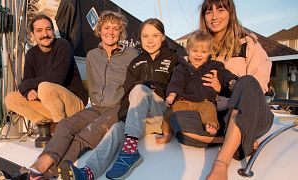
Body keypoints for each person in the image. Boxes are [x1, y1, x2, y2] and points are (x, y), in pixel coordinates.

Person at [5, 11, 138, 179]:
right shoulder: (92, 55)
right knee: (65, 126)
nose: (110, 32)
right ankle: (38, 166)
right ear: (100, 30)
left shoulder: (131, 55)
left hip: (117, 107)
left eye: (115, 28)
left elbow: (136, 85)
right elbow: (93, 83)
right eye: (106, 27)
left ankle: (46, 174)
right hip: (96, 106)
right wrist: (25, 88)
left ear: (121, 32)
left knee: (86, 134)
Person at [59, 18, 179, 180]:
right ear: (140, 38)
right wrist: (122, 119)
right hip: (141, 120)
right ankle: (87, 172)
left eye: (155, 35)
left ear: (163, 37)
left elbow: (180, 86)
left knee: (140, 88)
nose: (150, 41)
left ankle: (129, 152)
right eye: (145, 36)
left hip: (162, 114)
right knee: (116, 128)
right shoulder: (136, 63)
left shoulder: (173, 59)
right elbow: (127, 95)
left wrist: (170, 123)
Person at [169, 0, 274, 179]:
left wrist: (223, 88)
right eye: (209, 12)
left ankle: (221, 163)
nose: (214, 16)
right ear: (204, 17)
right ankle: (238, 141)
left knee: (247, 82)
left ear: (230, 13)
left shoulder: (249, 45)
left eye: (220, 9)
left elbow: (257, 90)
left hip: (251, 114)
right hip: (219, 117)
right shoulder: (199, 49)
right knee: (178, 119)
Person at [156, 30, 238, 144]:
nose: (198, 55)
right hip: (185, 101)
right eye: (195, 51)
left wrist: (232, 80)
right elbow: (176, 82)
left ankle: (211, 125)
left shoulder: (214, 65)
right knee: (170, 111)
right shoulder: (181, 68)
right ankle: (166, 134)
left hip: (204, 101)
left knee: (210, 109)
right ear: (188, 50)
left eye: (203, 52)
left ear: (209, 52)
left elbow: (224, 74)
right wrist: (172, 94)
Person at [5, 14, 88, 124]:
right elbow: (27, 80)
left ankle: (61, 130)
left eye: (48, 29)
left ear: (53, 31)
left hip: (75, 103)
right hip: (49, 103)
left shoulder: (62, 45)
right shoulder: (31, 54)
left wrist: (26, 85)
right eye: (39, 30)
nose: (45, 34)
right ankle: (45, 126)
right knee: (11, 99)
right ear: (32, 34)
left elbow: (57, 78)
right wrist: (27, 91)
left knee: (44, 87)